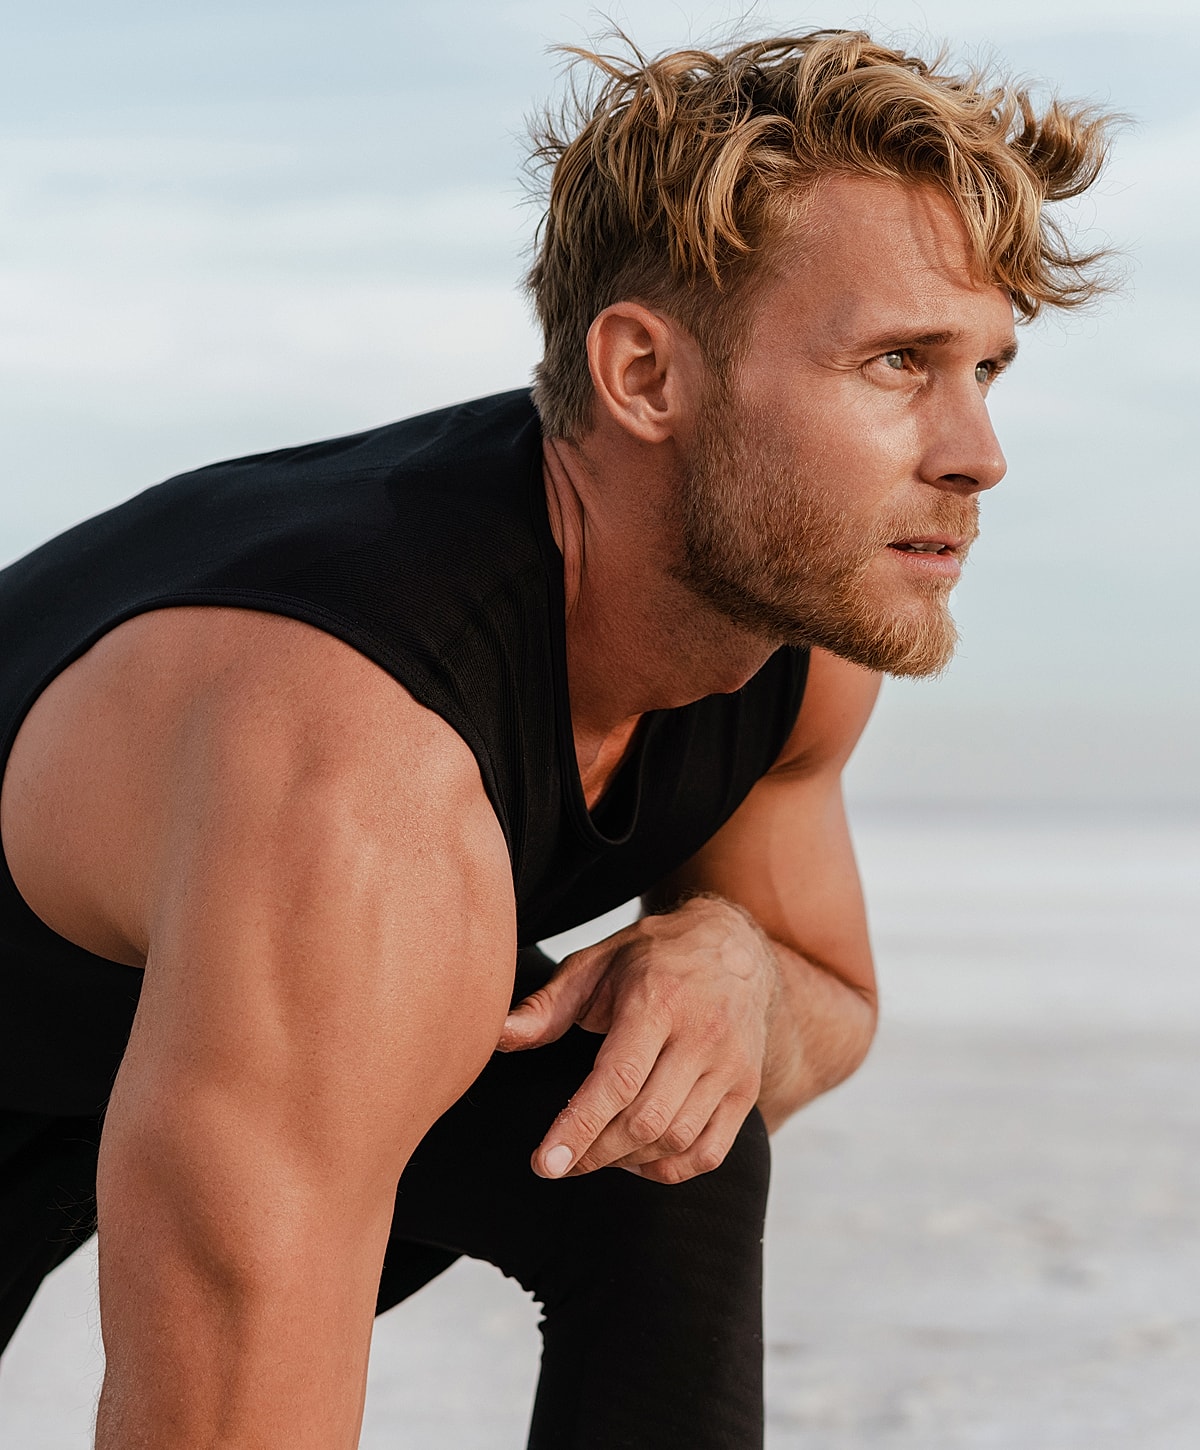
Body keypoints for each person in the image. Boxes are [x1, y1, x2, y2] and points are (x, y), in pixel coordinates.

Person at [0, 29, 1114, 1450]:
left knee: (670, 1134)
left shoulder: (793, 618)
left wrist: (735, 967)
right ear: (645, 375)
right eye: (899, 361)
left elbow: (827, 992)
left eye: (987, 369)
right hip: (184, 980)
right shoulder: (359, 770)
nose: (977, 453)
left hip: (197, 1015)